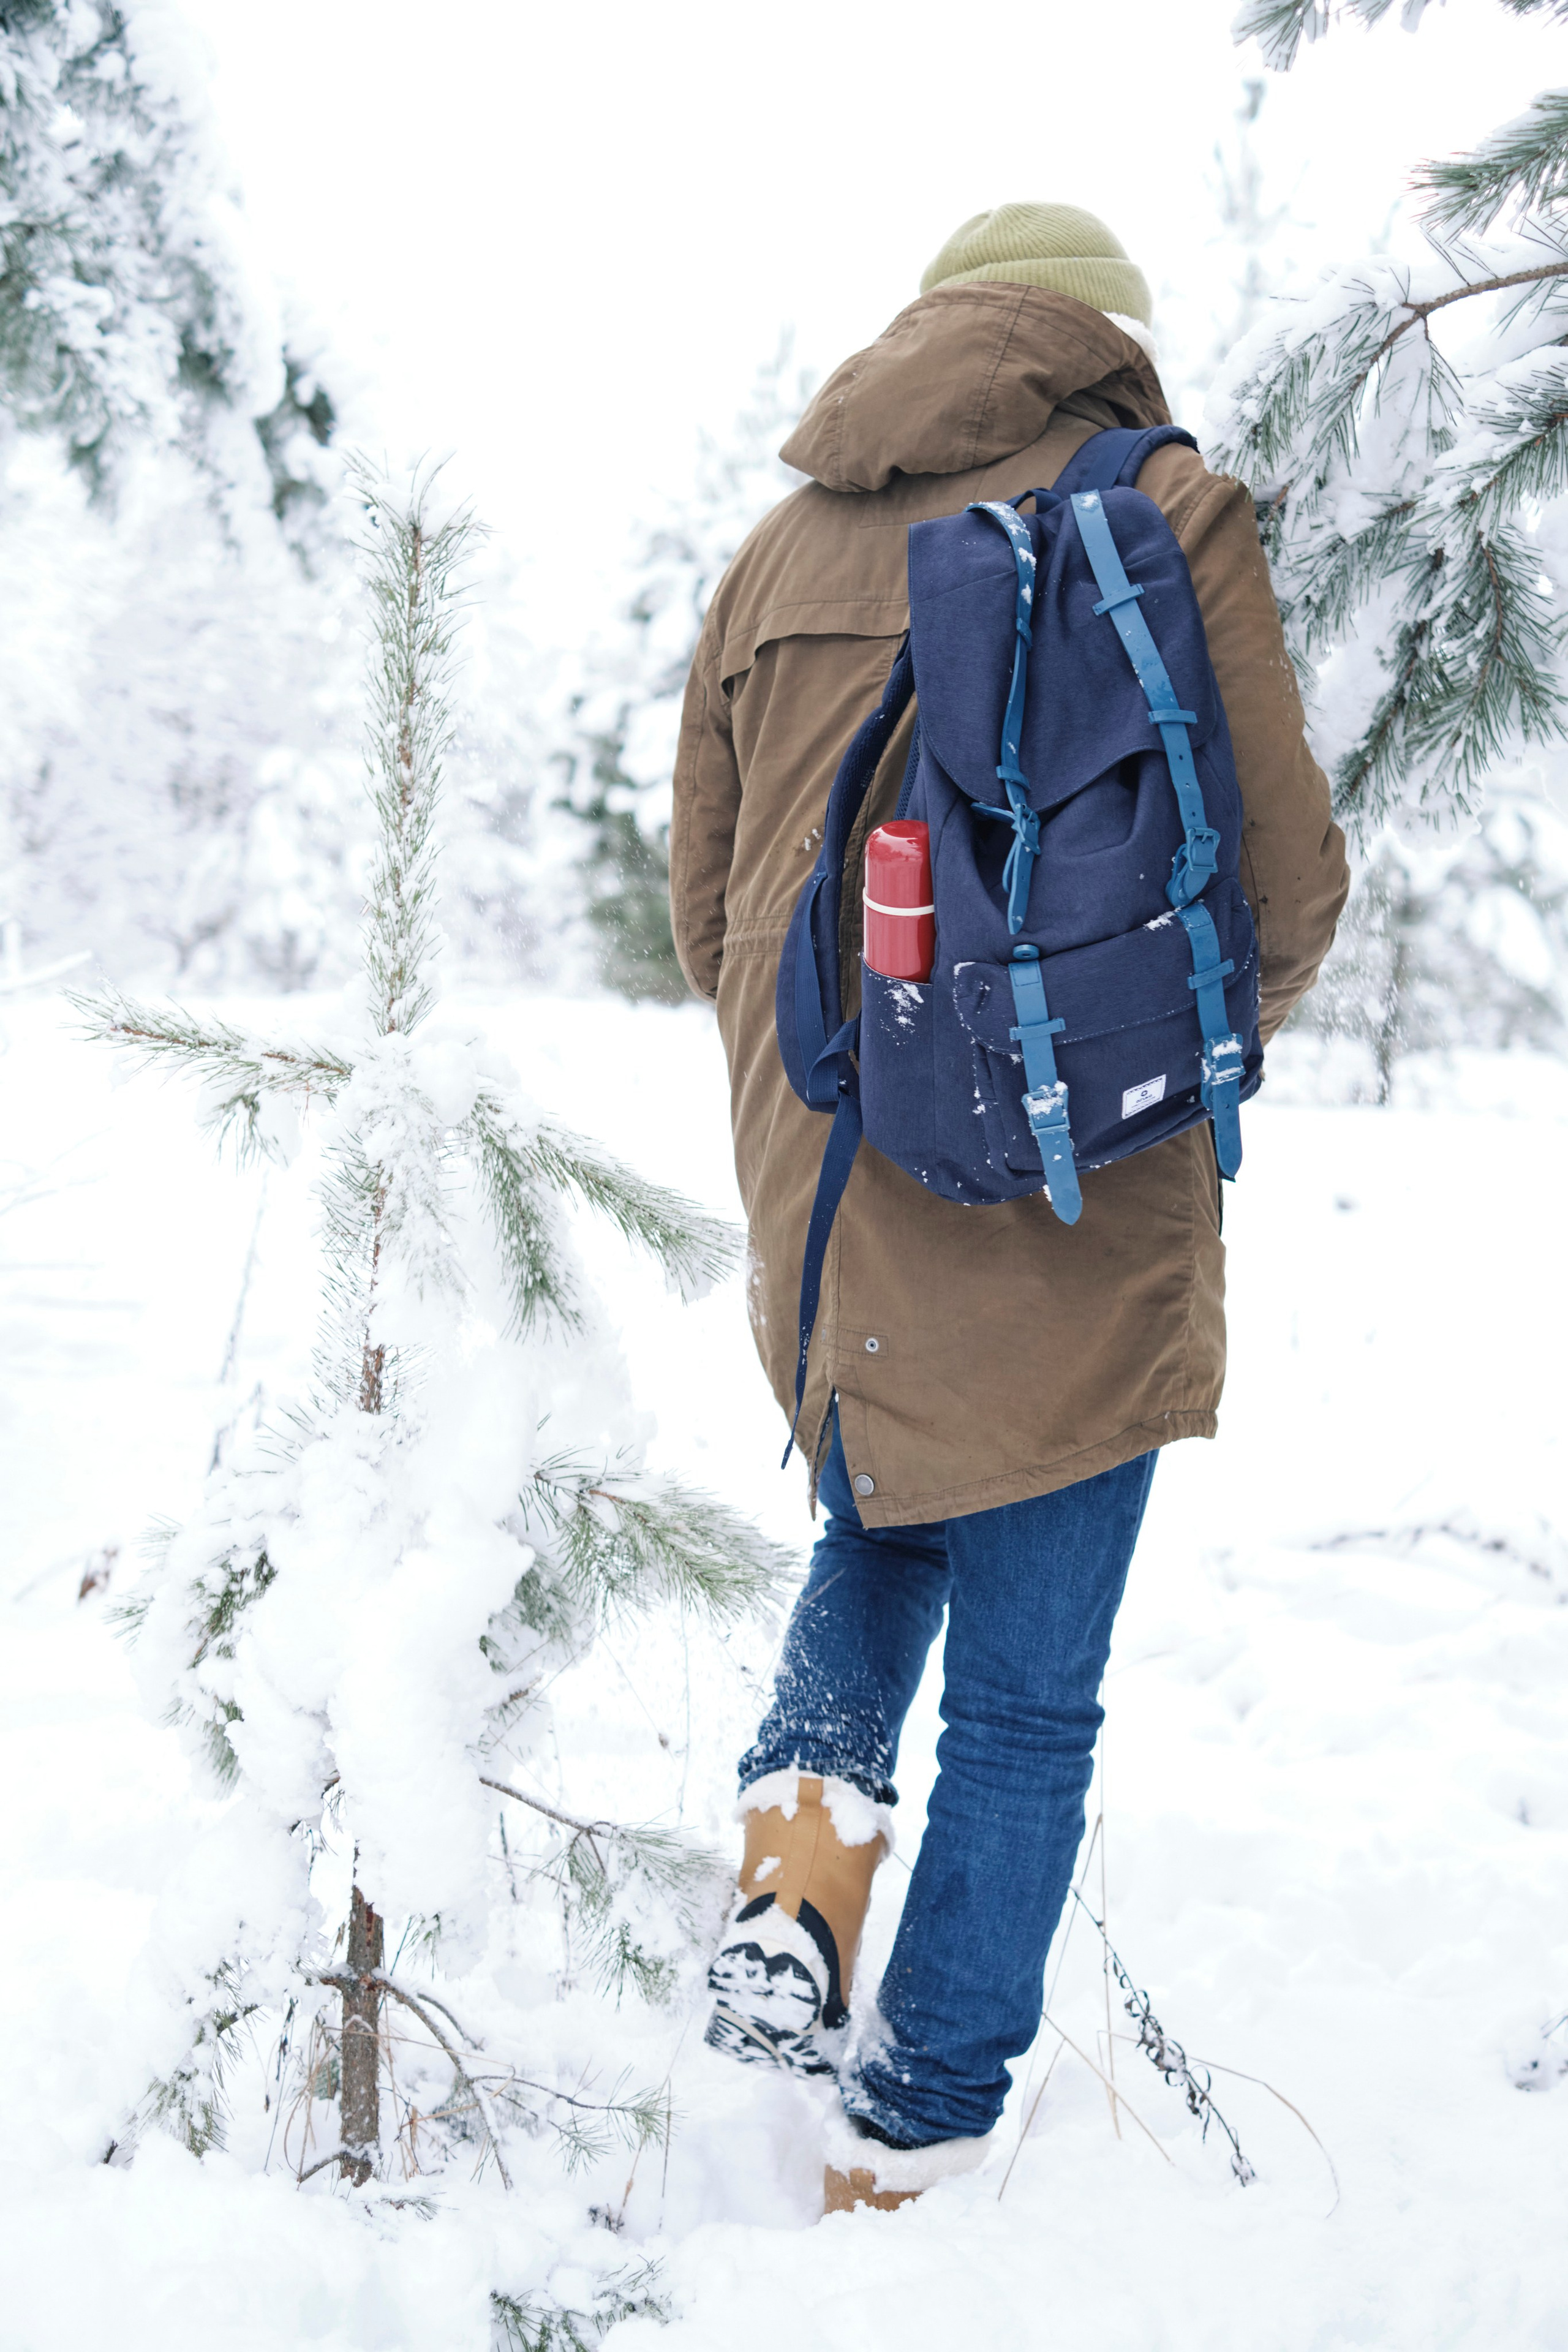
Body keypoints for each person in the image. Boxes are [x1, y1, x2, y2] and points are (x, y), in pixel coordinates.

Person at [668, 202, 1349, 2211]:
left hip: (825, 1134)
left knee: (881, 1506)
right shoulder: (1161, 501)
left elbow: (708, 889)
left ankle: (793, 1897)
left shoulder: (782, 541)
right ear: (1105, 342)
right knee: (1033, 1697)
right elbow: (1285, 880)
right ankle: (922, 2122)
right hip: (1076, 1156)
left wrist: (817, 1076)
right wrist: (1150, 1063)